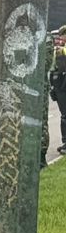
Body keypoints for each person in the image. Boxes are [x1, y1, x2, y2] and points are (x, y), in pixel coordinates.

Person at [49, 26, 66, 155]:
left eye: (62, 35)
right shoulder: (58, 50)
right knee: (64, 115)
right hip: (59, 85)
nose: (60, 38)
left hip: (63, 85)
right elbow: (53, 68)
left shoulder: (62, 51)